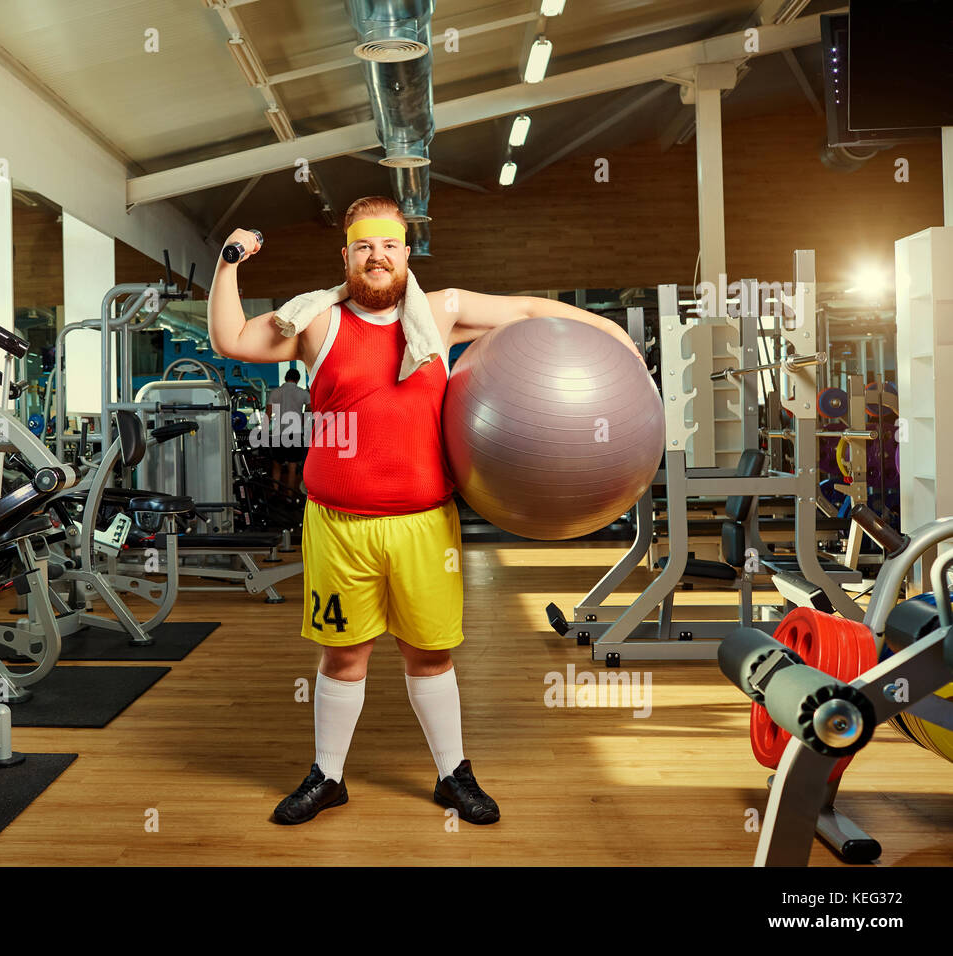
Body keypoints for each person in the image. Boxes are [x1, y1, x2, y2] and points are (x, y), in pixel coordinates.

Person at [207, 196, 643, 826]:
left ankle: (452, 774)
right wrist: (228, 265)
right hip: (337, 525)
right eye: (364, 246)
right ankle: (327, 775)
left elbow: (524, 310)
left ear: (407, 252)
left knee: (430, 653)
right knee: (342, 655)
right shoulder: (318, 322)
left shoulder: (440, 314)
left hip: (423, 524)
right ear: (348, 256)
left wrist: (613, 334)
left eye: (389, 245)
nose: (377, 256)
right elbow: (232, 338)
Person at [264, 368, 310, 494]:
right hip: (294, 433)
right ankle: (290, 496)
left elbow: (268, 413)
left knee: (277, 465)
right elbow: (310, 409)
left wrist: (263, 432)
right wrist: (301, 420)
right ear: (298, 380)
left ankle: (275, 492)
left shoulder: (275, 392)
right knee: (292, 466)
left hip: (278, 432)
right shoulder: (303, 393)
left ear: (285, 378)